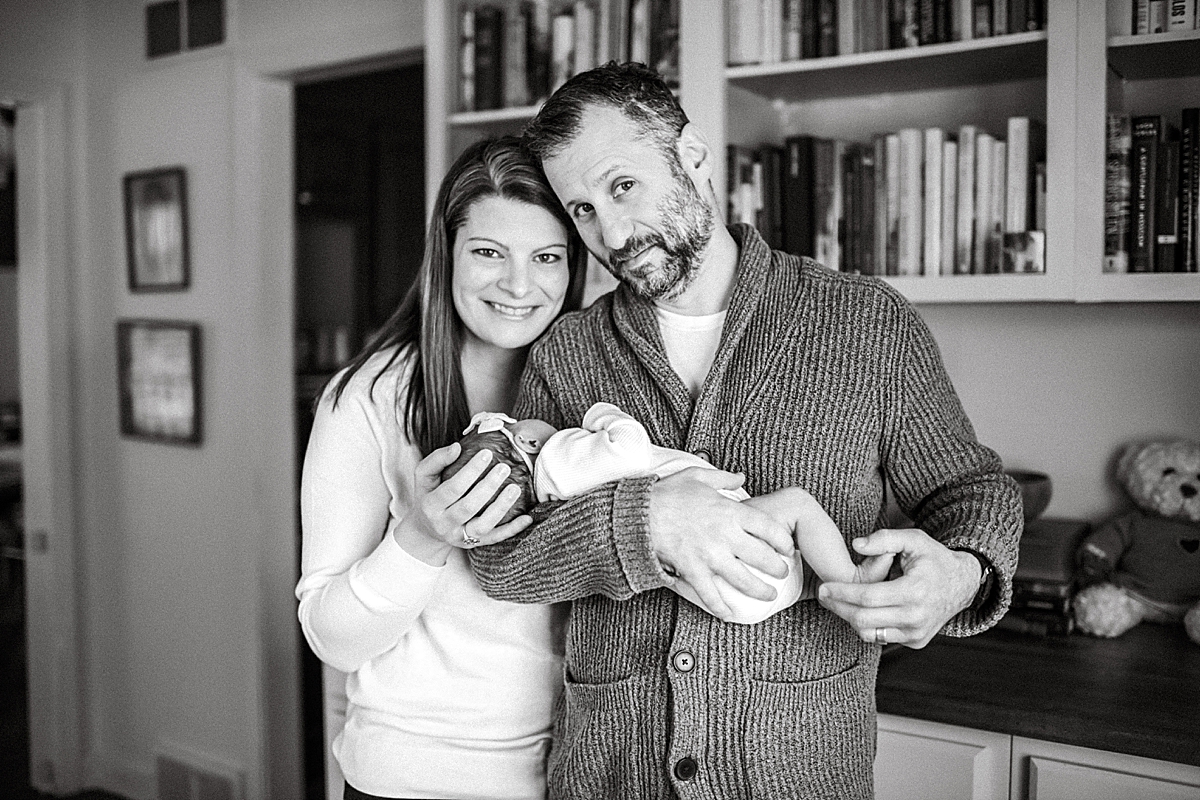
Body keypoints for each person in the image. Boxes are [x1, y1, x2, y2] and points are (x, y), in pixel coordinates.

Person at [469, 62, 1023, 799]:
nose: (613, 232)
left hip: (802, 775)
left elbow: (971, 488)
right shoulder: (567, 353)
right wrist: (643, 523)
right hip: (609, 778)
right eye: (581, 210)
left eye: (622, 186)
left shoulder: (865, 323)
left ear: (692, 157)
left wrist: (965, 573)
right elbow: (502, 561)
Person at [296, 135, 588, 800]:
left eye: (547, 257)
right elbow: (330, 638)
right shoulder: (369, 398)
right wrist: (421, 536)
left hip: (584, 769)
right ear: (445, 255)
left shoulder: (595, 399)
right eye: (489, 253)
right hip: (416, 780)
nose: (519, 285)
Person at [445, 402, 892, 624]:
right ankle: (850, 584)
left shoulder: (548, 505)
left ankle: (811, 585)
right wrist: (603, 416)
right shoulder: (561, 454)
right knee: (797, 504)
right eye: (517, 420)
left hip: (730, 603)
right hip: (742, 567)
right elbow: (631, 449)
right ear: (526, 442)